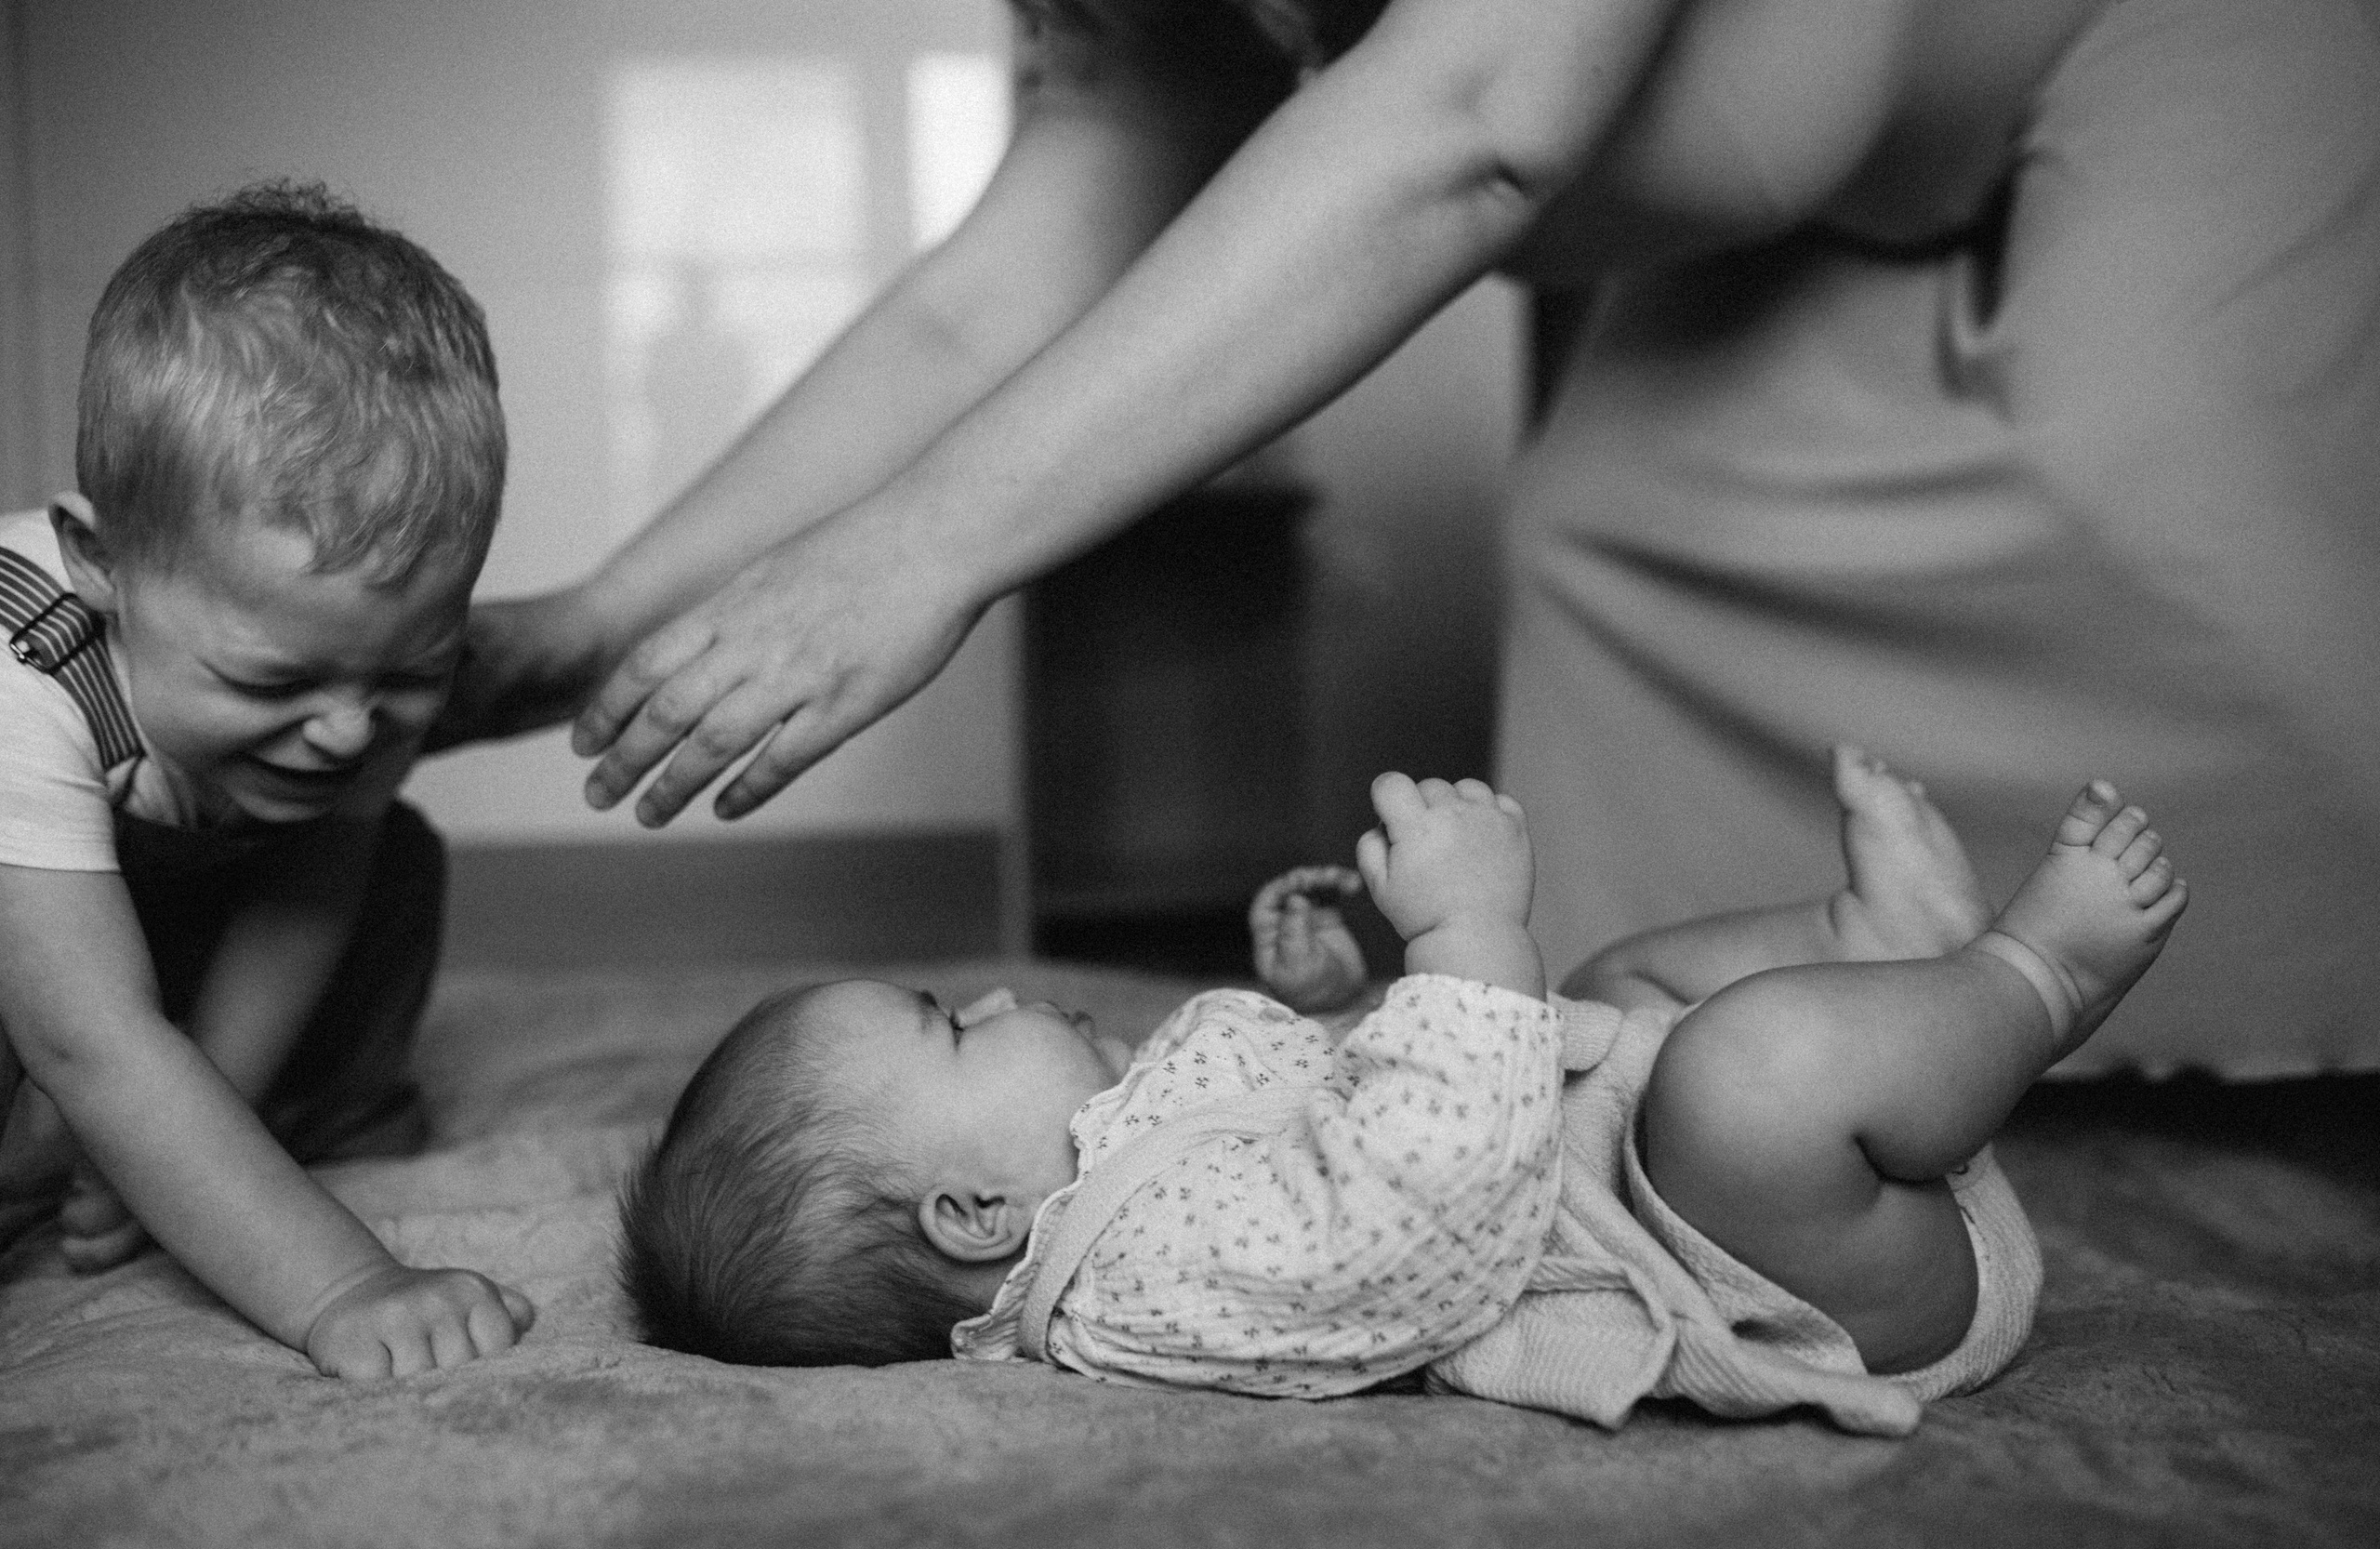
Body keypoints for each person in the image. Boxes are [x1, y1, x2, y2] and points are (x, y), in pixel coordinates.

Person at [434, 0, 2378, 1077]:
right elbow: (993, 294)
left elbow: (1476, 123)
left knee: (2178, 466)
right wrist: (592, 622)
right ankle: (1701, 1091)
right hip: (1814, 212)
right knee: (1605, 538)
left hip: (2158, 38)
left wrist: (925, 551)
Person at [619, 749, 2183, 1435]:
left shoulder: (1118, 1154)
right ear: (975, 1212)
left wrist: (1325, 1009)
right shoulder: (1142, 1278)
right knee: (1739, 1075)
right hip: (1784, 1274)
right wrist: (1461, 936)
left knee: (1628, 986)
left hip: (1641, 1168)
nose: (1007, 991)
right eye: (958, 1024)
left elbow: (1331, 1122)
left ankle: (1870, 953)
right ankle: (2033, 977)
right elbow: (1413, 1213)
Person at [0, 182, 536, 1379]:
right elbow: (91, 1038)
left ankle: (284, 1135)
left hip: (148, 905)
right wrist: (342, 1284)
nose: (349, 731)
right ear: (102, 564)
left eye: (412, 671)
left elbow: (312, 887)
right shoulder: (16, 675)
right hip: (36, 938)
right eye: (270, 681)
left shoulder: (349, 685)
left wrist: (195, 1130)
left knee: (395, 857)